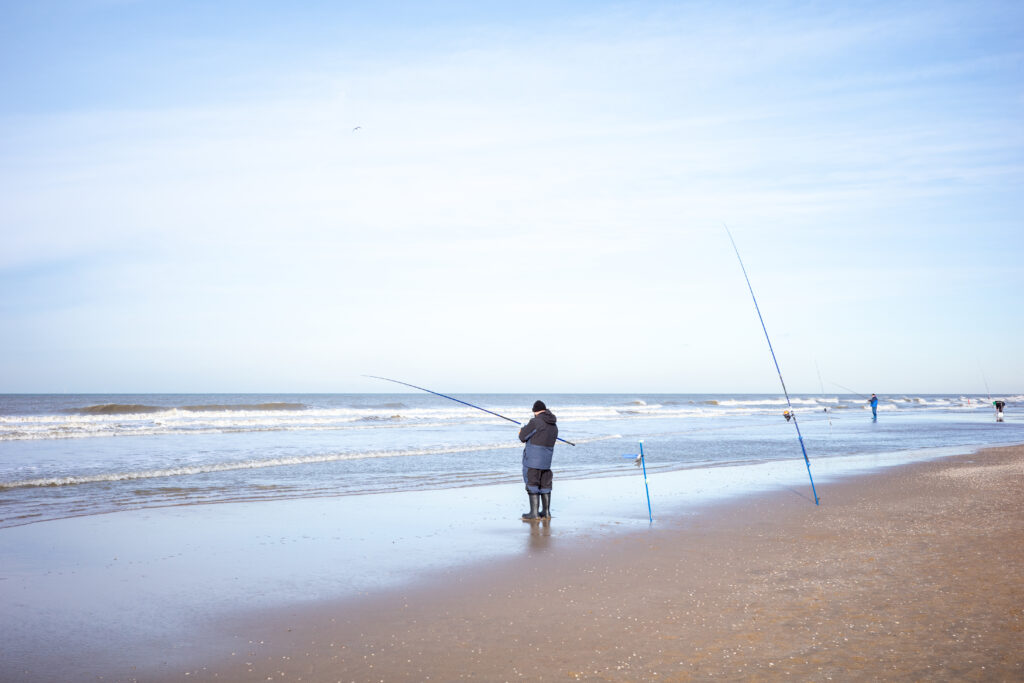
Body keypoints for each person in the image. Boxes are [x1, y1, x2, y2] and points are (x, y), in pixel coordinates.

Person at [519, 400, 557, 520]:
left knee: (532, 484)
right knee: (545, 485)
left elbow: (522, 437)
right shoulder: (554, 425)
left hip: (533, 461)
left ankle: (534, 513)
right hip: (547, 461)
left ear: (535, 411)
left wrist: (522, 430)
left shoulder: (535, 421)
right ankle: (546, 513)